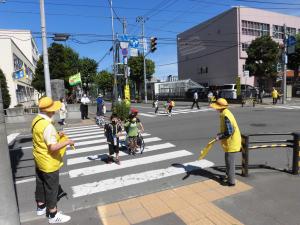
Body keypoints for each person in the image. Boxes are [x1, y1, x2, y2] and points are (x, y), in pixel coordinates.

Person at [32, 97, 75, 223]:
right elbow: (52, 147)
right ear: (49, 111)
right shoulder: (48, 126)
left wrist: (57, 135)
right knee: (52, 188)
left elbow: (42, 139)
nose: (55, 112)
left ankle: (41, 206)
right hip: (48, 162)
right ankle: (53, 214)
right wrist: (67, 141)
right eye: (53, 110)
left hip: (39, 158)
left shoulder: (36, 120)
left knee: (40, 183)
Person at [210, 98, 241, 187]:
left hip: (232, 142)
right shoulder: (225, 112)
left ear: (220, 107)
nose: (215, 109)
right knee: (228, 160)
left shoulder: (226, 115)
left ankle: (231, 182)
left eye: (216, 107)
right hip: (230, 141)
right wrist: (220, 134)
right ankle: (228, 177)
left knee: (230, 162)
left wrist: (219, 137)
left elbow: (229, 132)